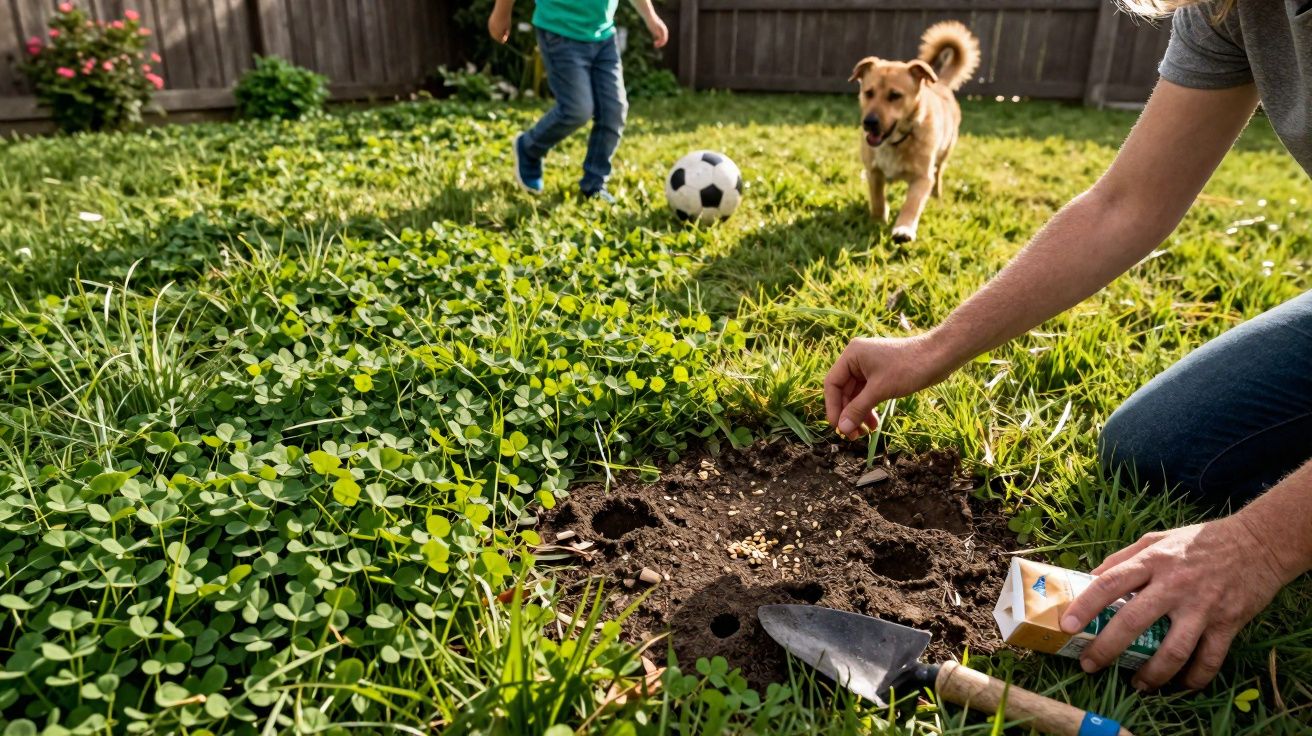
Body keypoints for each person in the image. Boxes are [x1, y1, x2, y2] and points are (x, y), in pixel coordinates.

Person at [823, 0, 1312, 693]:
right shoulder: (1231, 8)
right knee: (1149, 449)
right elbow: (1125, 205)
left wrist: (1261, 543)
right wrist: (933, 349)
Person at [488, 0, 669, 202]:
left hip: (603, 35)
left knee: (613, 111)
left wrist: (651, 18)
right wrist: (501, 13)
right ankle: (530, 147)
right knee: (576, 110)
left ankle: (595, 184)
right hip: (560, 32)